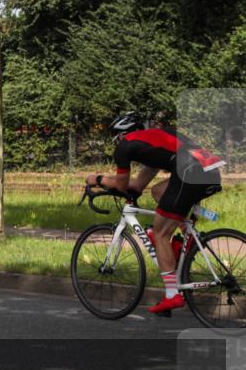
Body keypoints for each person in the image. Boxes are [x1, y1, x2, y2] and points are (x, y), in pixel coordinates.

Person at [86, 112, 223, 315]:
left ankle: (172, 295)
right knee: (158, 192)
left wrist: (97, 179)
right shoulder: (152, 141)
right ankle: (184, 240)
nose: (116, 142)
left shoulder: (125, 147)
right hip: (209, 170)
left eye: (115, 137)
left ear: (122, 134)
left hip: (189, 171)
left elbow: (122, 185)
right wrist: (122, 188)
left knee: (159, 234)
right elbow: (139, 185)